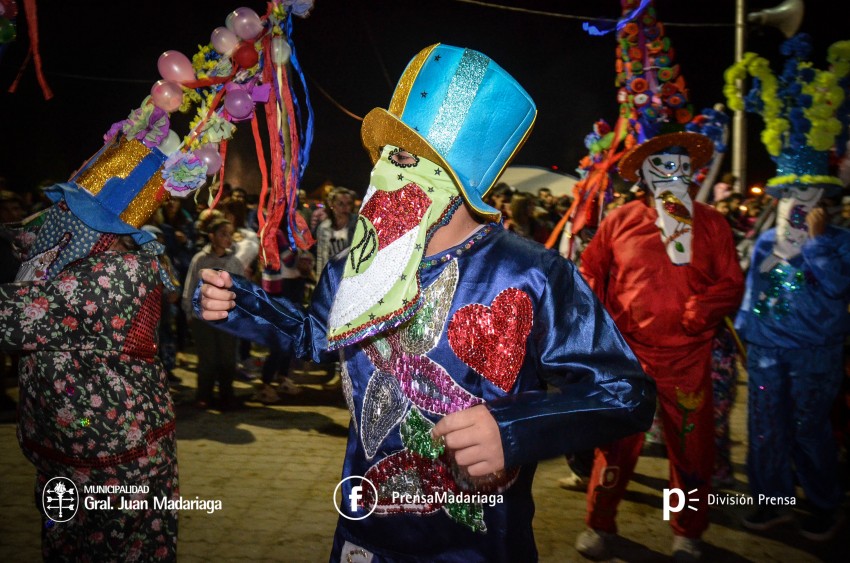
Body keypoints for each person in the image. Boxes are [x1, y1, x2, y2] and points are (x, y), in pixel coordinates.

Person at [195, 43, 655, 562]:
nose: (383, 174)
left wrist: (514, 430)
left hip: (478, 546)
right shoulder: (355, 265)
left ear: (453, 180)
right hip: (366, 536)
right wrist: (243, 305)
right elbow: (319, 338)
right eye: (386, 155)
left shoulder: (533, 274)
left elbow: (625, 393)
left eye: (407, 158)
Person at [0, 135, 181, 560]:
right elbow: (24, 238)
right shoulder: (86, 261)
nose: (59, 217)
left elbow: (12, 316)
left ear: (104, 229)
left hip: (115, 461)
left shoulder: (113, 278)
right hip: (74, 453)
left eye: (73, 211)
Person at [574, 132, 744, 561]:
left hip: (687, 358)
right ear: (646, 175)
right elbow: (591, 270)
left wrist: (699, 310)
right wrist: (599, 325)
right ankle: (600, 522)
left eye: (681, 163)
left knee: (690, 451)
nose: (673, 171)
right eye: (662, 163)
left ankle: (686, 529)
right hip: (628, 357)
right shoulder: (621, 219)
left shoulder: (711, 223)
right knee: (615, 445)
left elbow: (730, 284)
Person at [735, 176, 850, 541]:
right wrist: (745, 334)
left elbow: (838, 285)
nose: (793, 202)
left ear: (823, 202)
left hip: (814, 353)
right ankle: (773, 501)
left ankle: (824, 503)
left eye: (803, 194)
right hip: (766, 351)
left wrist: (815, 243)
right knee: (766, 429)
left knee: (808, 428)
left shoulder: (840, 242)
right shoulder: (768, 240)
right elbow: (754, 289)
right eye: (786, 194)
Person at [182, 215, 244, 410]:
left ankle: (226, 395)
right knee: (207, 358)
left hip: (227, 317)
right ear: (212, 236)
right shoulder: (200, 259)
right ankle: (204, 396)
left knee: (227, 359)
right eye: (223, 234)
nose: (227, 238)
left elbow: (241, 291)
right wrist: (189, 313)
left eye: (230, 234)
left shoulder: (235, 262)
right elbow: (190, 287)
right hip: (203, 317)